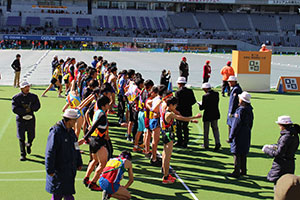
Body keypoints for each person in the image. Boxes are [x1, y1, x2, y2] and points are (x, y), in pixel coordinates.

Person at [161, 97, 201, 184]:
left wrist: (191, 121)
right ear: (171, 105)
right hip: (168, 135)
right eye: (175, 105)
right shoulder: (169, 114)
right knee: (167, 157)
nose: (175, 107)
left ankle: (166, 174)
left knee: (165, 155)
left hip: (165, 134)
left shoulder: (165, 110)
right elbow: (181, 118)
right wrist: (195, 117)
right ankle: (165, 177)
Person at [45, 109, 83, 200]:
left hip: (69, 170)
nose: (76, 122)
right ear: (69, 120)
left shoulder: (71, 132)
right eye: (75, 120)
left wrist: (79, 161)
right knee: (58, 195)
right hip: (59, 170)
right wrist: (50, 169)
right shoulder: (56, 132)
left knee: (67, 194)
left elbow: (76, 146)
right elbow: (50, 151)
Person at [83, 95, 111, 191]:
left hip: (93, 140)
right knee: (103, 163)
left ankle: (86, 178)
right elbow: (95, 126)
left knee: (94, 160)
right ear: (104, 105)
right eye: (108, 104)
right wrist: (85, 136)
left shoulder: (97, 112)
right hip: (98, 141)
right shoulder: (102, 115)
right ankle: (93, 183)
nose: (109, 105)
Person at [262, 116, 300, 185]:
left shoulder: (286, 136)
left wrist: (266, 150)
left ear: (282, 125)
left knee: (278, 187)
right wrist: (274, 146)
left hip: (281, 165)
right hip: (290, 164)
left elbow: (278, 153)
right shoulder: (294, 135)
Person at [227, 91, 253, 178]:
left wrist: (231, 136)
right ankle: (243, 169)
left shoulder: (240, 111)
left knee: (236, 152)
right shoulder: (250, 110)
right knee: (243, 152)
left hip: (239, 133)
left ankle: (236, 171)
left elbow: (236, 125)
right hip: (246, 131)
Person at [12, 81, 41, 161]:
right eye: (25, 87)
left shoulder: (34, 97)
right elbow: (14, 109)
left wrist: (31, 109)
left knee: (31, 135)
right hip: (21, 119)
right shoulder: (16, 98)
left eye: (28, 87)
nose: (27, 88)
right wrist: (24, 111)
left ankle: (29, 144)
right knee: (21, 137)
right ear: (21, 88)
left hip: (31, 118)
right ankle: (23, 154)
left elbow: (38, 105)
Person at [175, 77, 196, 148]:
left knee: (179, 127)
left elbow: (176, 103)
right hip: (188, 111)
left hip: (179, 112)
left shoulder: (177, 92)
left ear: (179, 84)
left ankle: (179, 141)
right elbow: (193, 101)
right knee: (185, 127)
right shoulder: (190, 91)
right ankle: (186, 141)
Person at [198, 83, 221, 151]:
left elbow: (202, 108)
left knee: (206, 130)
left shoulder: (205, 96)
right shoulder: (216, 94)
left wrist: (199, 104)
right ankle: (217, 142)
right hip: (215, 114)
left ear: (205, 89)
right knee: (215, 129)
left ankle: (206, 144)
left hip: (207, 115)